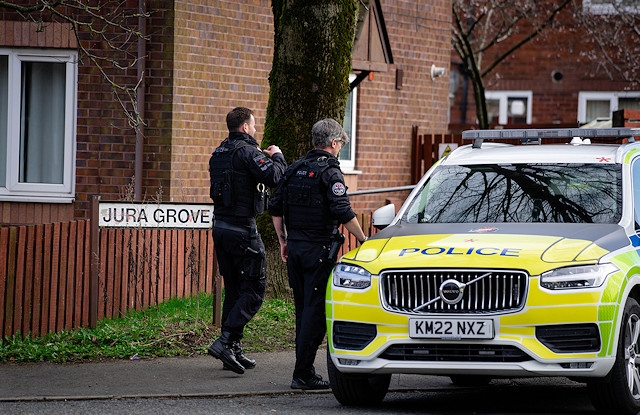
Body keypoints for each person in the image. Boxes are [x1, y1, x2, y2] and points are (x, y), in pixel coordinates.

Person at [268, 118, 367, 390]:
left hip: (296, 249)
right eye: (340, 146)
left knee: (303, 310)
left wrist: (283, 241)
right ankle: (302, 374)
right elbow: (343, 212)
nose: (339, 151)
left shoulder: (294, 168)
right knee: (316, 314)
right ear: (333, 143)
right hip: (318, 253)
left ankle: (303, 370)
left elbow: (275, 208)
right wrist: (364, 239)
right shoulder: (330, 173)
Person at [208, 107, 287, 374]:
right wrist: (277, 156)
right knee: (254, 290)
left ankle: (232, 349)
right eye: (253, 125)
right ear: (244, 127)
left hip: (220, 228)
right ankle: (226, 342)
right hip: (243, 230)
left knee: (234, 289)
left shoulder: (219, 152)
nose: (255, 130)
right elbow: (276, 177)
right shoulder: (247, 151)